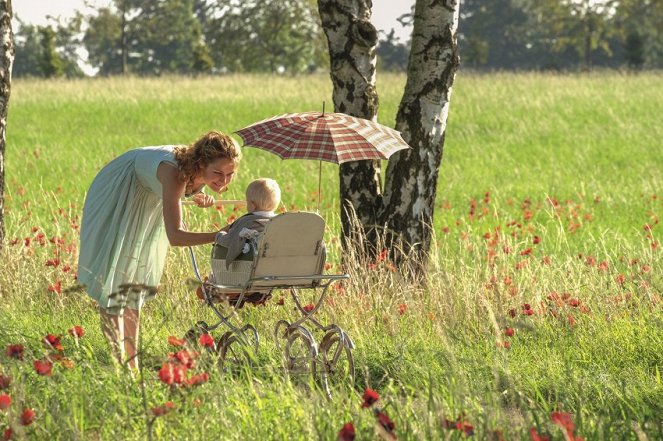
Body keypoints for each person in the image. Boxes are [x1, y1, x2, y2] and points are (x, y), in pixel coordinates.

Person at [77, 130, 241, 370]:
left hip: (146, 194)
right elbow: (175, 236)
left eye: (230, 174)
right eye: (217, 173)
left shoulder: (195, 173)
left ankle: (131, 364)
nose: (224, 180)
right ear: (202, 163)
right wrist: (221, 236)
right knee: (115, 278)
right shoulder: (175, 173)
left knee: (133, 281)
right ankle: (119, 364)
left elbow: (189, 185)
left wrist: (201, 189)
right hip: (120, 187)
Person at [215, 178, 281, 266]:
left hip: (248, 265)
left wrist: (219, 235)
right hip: (274, 264)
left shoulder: (248, 222)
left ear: (253, 205)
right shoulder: (280, 223)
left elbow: (230, 240)